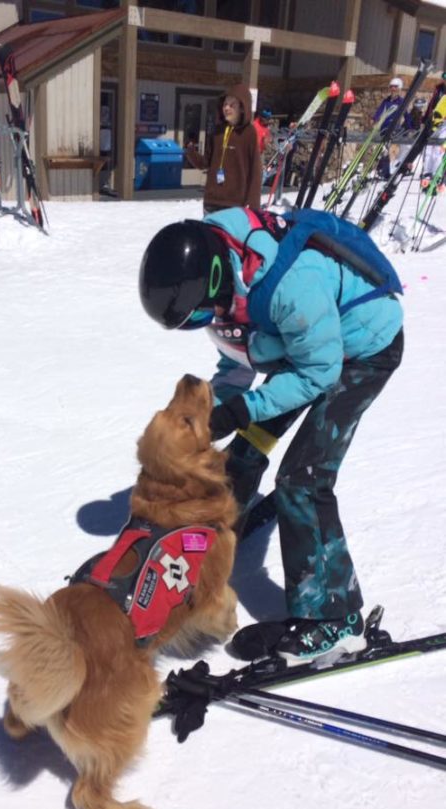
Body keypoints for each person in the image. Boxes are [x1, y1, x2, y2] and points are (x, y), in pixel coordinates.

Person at [138, 208, 404, 666]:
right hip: (300, 347)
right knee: (245, 450)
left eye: (204, 312)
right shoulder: (225, 288)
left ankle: (335, 619)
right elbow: (237, 361)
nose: (207, 320)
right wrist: (216, 413)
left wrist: (244, 409)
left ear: (219, 278)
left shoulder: (288, 287)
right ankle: (215, 535)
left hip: (362, 350)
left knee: (302, 479)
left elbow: (320, 372)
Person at [185, 83, 262, 213]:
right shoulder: (217, 131)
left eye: (232, 105)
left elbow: (255, 171)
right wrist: (191, 151)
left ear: (242, 108)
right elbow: (205, 163)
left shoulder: (249, 133)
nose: (226, 108)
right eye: (225, 104)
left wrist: (253, 206)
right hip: (211, 201)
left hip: (235, 204)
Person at [373, 77, 412, 179]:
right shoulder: (386, 101)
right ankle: (382, 171)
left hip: (394, 129)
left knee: (391, 150)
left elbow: (406, 115)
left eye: (395, 87)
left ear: (399, 89)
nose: (393, 89)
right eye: (391, 87)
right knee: (383, 150)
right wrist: (376, 118)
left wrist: (409, 126)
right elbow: (379, 111)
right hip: (384, 128)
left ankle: (387, 172)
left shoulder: (402, 102)